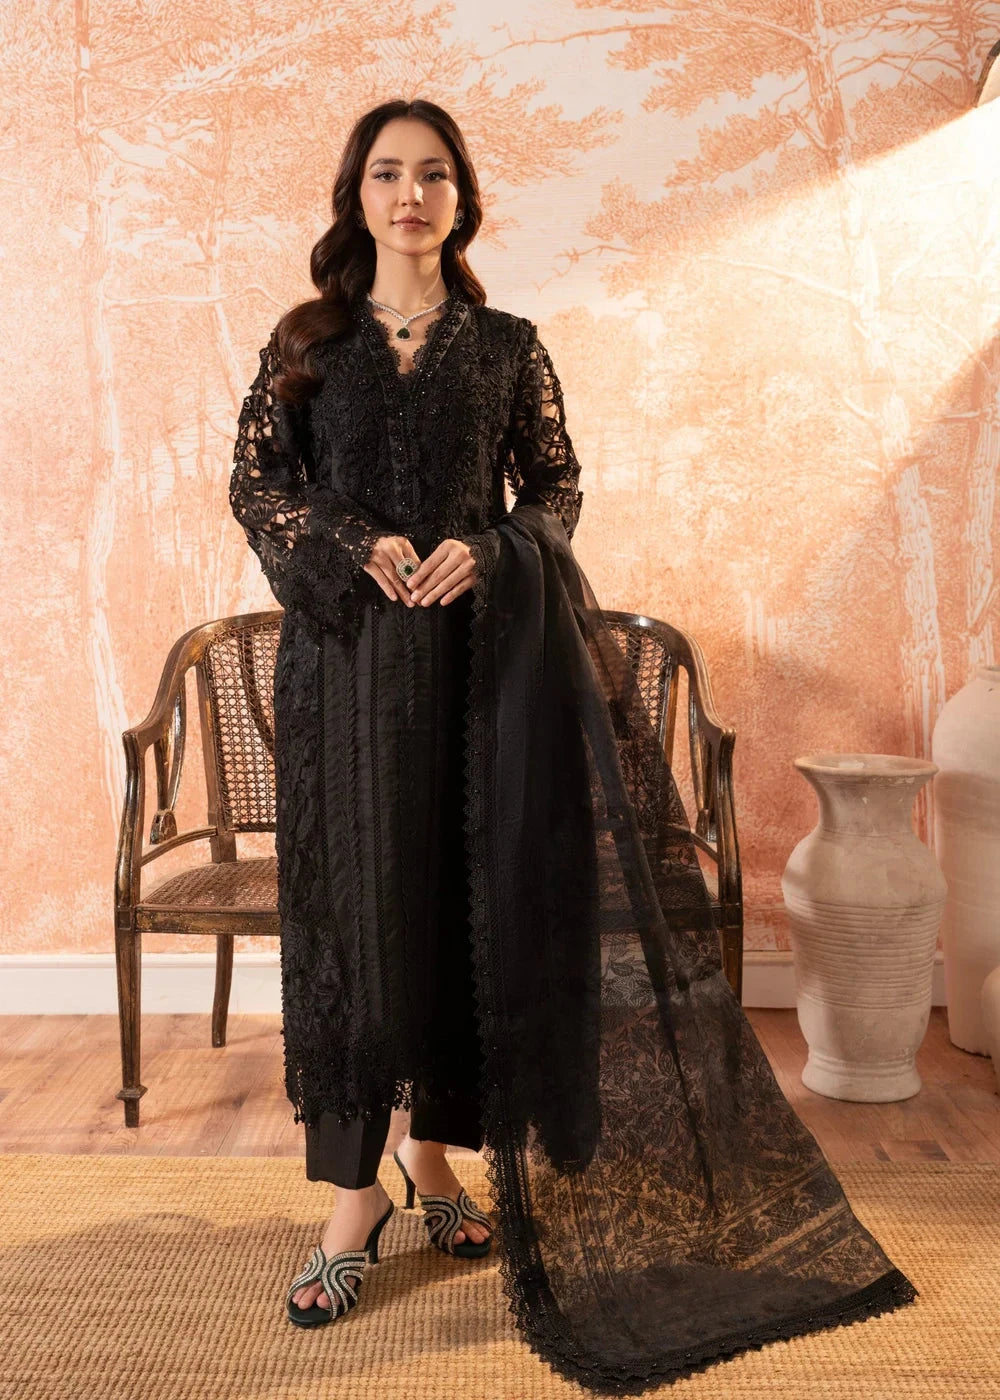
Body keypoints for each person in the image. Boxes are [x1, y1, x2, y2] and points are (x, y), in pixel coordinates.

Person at [229, 98, 917, 1392]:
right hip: (350, 674)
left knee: (464, 916)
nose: (411, 195)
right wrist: (351, 542)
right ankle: (354, 1197)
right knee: (361, 923)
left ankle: (435, 1160)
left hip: (483, 672)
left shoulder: (507, 347)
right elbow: (256, 485)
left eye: (435, 174)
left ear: (463, 198)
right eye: (387, 174)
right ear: (356, 196)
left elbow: (556, 490)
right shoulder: (308, 342)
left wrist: (487, 550)